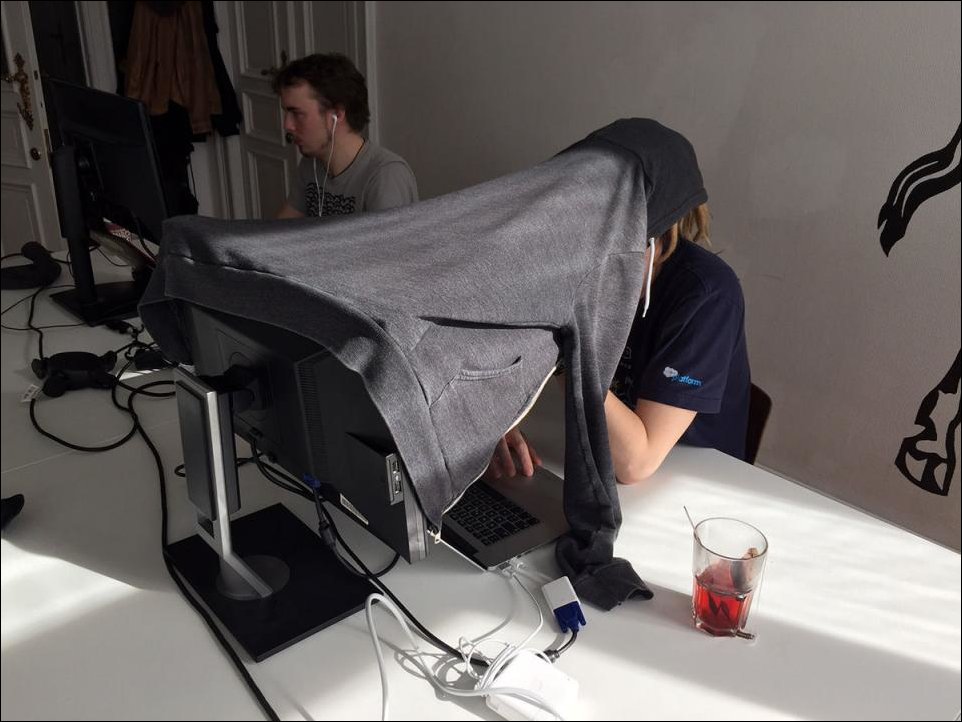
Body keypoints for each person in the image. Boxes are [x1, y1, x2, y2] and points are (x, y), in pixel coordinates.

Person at [488, 182, 751, 484]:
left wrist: (563, 350)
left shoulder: (708, 295)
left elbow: (634, 464)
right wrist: (496, 422)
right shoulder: (585, 264)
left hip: (693, 479)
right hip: (596, 450)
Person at [272, 53, 418, 219]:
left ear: (337, 115)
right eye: (286, 113)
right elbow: (283, 226)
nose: (287, 125)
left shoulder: (385, 176)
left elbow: (389, 237)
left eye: (297, 114)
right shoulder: (311, 163)